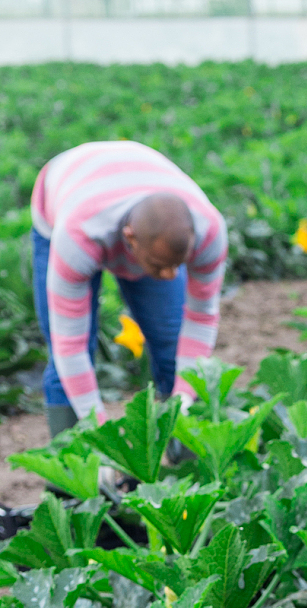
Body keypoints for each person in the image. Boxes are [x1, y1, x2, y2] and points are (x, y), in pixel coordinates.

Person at [30, 142, 228, 438]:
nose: (170, 275)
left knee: (171, 340)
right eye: (160, 265)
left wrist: (184, 401)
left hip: (138, 189)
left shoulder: (208, 232)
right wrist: (102, 433)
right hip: (63, 195)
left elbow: (202, 317)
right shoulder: (78, 237)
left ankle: (184, 449)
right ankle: (74, 457)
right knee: (67, 358)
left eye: (178, 264)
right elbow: (69, 346)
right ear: (130, 239)